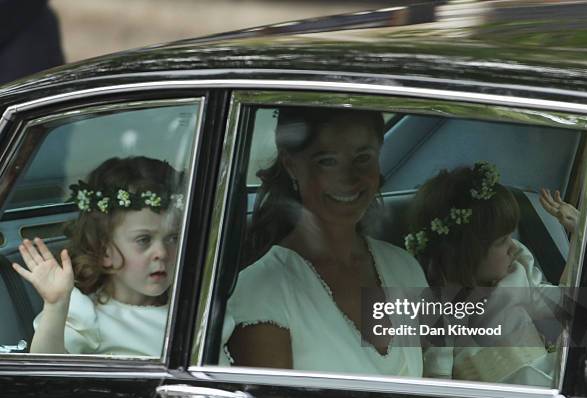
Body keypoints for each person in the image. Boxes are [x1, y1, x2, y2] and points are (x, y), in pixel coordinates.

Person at [224, 106, 431, 376]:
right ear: (291, 165)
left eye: (363, 157)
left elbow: (436, 377)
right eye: (328, 161)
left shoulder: (405, 267)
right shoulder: (262, 292)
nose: (350, 178)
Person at [405, 162, 577, 385]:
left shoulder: (517, 271)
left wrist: (581, 236)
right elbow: (438, 381)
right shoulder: (435, 305)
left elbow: (569, 303)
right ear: (466, 252)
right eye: (501, 241)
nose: (513, 247)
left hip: (545, 379)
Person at [13, 156, 184, 357]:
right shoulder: (88, 316)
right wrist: (56, 305)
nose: (162, 253)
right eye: (143, 240)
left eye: (173, 238)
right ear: (104, 251)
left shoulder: (190, 304)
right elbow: (47, 368)